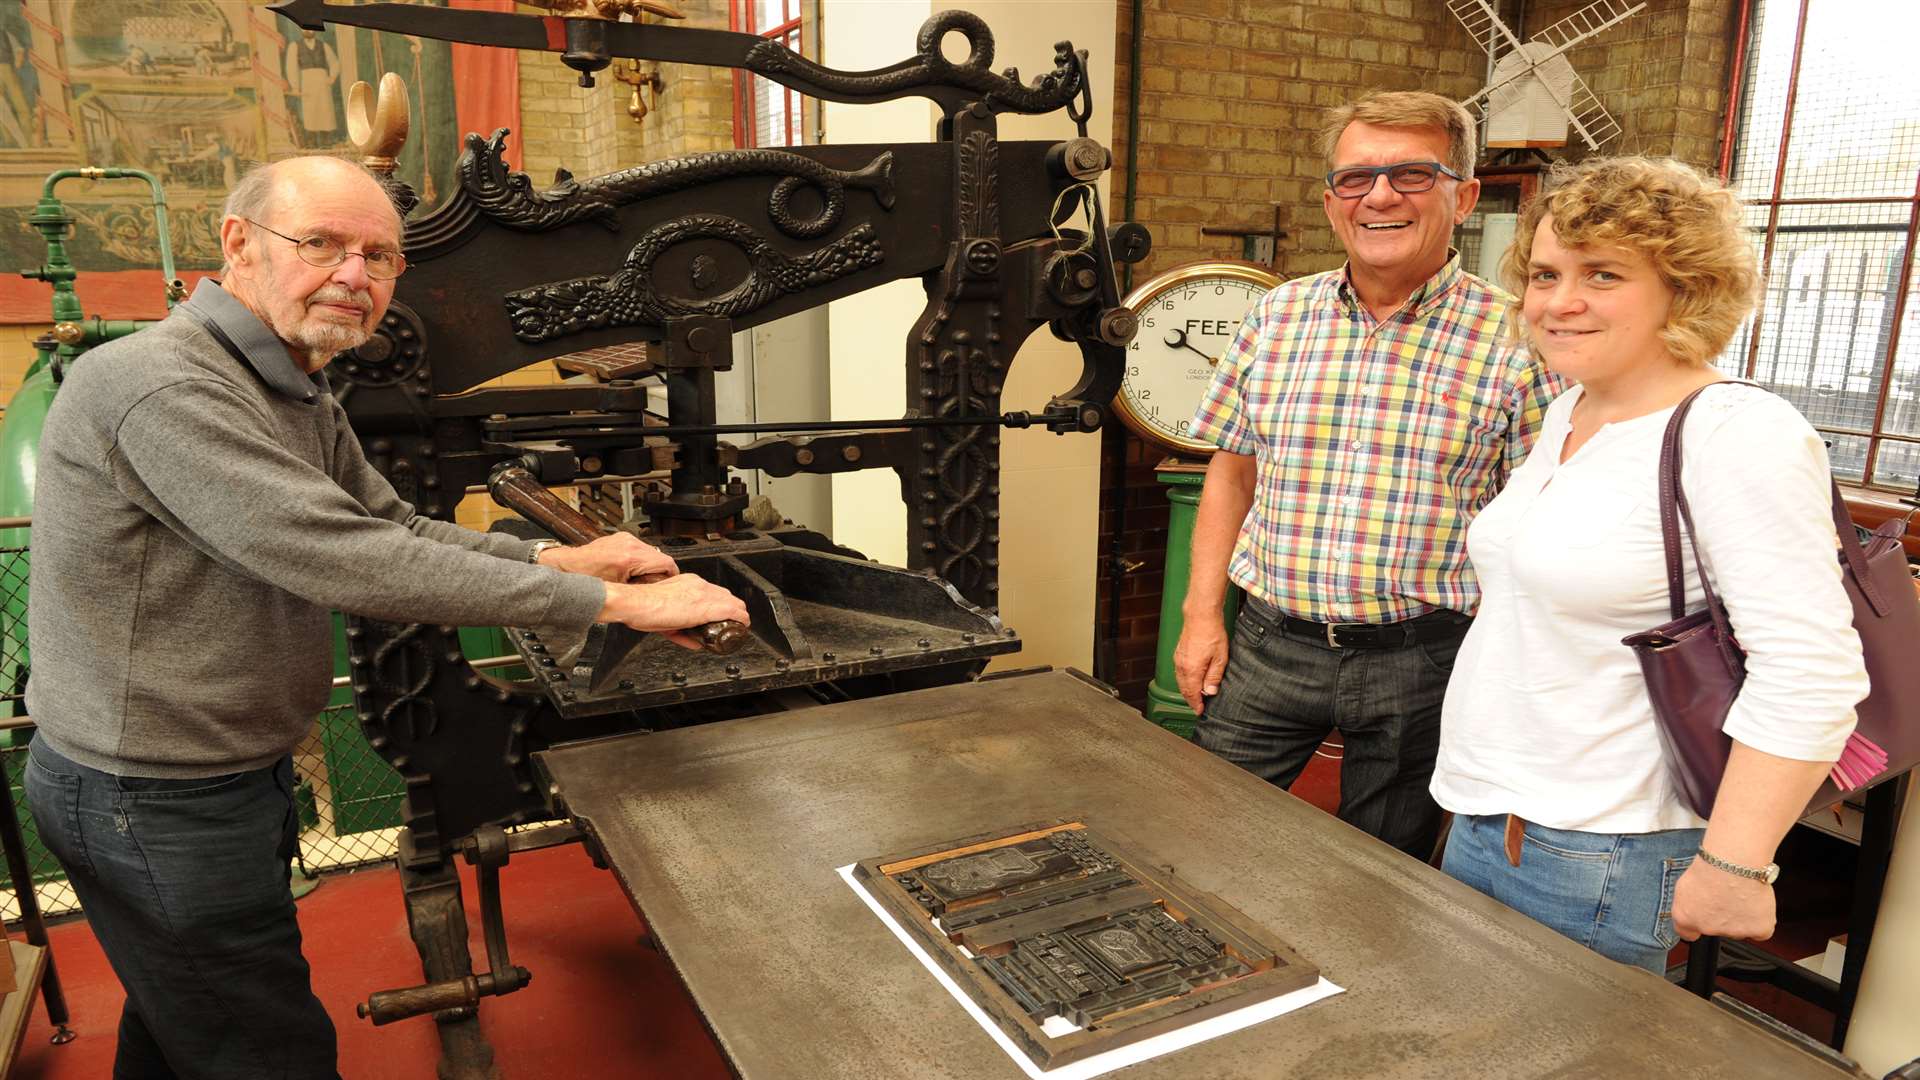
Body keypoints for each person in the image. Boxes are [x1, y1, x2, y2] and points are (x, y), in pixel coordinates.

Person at [23, 156, 750, 1078]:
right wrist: (613, 600)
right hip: (150, 798)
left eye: (379, 256)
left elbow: (388, 523)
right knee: (264, 1052)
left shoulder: (290, 383)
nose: (354, 277)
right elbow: (345, 555)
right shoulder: (164, 385)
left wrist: (557, 556)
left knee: (182, 1027)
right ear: (238, 244)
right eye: (321, 244)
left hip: (214, 779)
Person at [1430, 156, 1869, 971]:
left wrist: (1736, 863)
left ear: (1687, 287)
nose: (1560, 301)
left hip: (1604, 849)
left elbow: (1811, 671)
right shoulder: (1573, 407)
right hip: (1492, 813)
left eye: (1603, 274)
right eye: (1546, 273)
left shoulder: (1735, 431)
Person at [1175, 91, 1561, 859]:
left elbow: (1536, 522)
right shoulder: (1277, 317)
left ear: (1465, 196)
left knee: (1382, 871)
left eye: (1412, 174)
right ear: (1330, 202)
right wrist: (1200, 615)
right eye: (1356, 179)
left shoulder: (1521, 337)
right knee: (1199, 835)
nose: (1379, 196)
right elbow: (1231, 472)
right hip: (1268, 645)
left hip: (1422, 659)